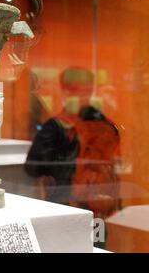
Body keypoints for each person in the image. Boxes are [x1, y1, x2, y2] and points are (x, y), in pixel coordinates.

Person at [24, 67, 121, 221]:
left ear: (65, 91)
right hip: (99, 207)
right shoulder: (107, 125)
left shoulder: (55, 126)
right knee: (96, 243)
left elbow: (33, 168)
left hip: (66, 205)